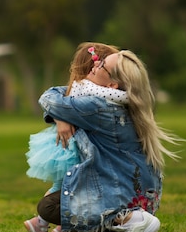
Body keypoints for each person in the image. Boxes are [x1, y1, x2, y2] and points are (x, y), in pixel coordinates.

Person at [24, 49, 181, 232]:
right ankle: (121, 222)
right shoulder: (125, 104)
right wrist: (61, 116)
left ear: (112, 84)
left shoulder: (97, 106)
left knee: (48, 207)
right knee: (65, 198)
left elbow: (50, 97)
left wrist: (60, 116)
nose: (94, 63)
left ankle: (130, 219)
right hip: (140, 197)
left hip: (116, 197)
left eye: (102, 65)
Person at [25, 42, 124, 195]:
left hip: (95, 157)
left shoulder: (101, 98)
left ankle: (44, 213)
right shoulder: (87, 92)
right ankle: (44, 214)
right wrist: (59, 117)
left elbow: (57, 101)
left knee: (65, 186)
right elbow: (53, 99)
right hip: (75, 150)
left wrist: (59, 116)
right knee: (62, 185)